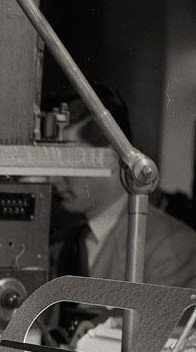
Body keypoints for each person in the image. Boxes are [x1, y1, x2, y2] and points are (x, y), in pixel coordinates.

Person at [50, 89, 196, 289]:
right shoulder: (62, 244)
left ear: (110, 158)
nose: (53, 177)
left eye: (67, 162)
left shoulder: (171, 248)